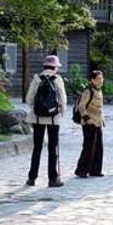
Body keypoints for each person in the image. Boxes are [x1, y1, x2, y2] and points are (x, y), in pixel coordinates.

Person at [25, 55, 67, 187]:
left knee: (37, 148)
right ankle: (52, 179)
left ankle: (32, 178)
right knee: (52, 148)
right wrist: (61, 114)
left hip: (37, 118)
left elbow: (29, 99)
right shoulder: (58, 79)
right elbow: (63, 100)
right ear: (55, 67)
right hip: (53, 118)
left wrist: (36, 108)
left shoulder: (37, 79)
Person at [75, 70, 105, 178]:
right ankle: (81, 170)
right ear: (92, 80)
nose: (100, 81)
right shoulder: (88, 91)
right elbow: (81, 106)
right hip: (89, 123)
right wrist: (87, 118)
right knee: (88, 147)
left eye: (101, 78)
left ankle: (95, 170)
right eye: (98, 79)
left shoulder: (99, 90)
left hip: (98, 122)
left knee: (98, 147)